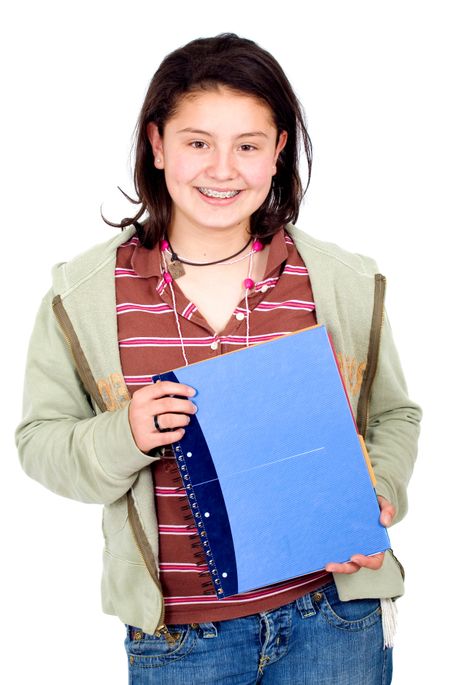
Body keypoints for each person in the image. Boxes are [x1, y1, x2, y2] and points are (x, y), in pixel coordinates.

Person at [16, 33, 421, 684]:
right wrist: (125, 433)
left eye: (248, 145)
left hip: (335, 619)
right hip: (182, 640)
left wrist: (378, 490)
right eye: (197, 142)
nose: (222, 169)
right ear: (157, 144)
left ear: (279, 149)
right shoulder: (84, 296)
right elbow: (39, 442)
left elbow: (395, 415)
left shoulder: (341, 281)